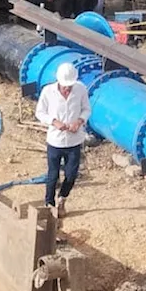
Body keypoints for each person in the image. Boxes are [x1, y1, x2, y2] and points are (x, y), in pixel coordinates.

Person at [35, 62, 91, 217]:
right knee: (53, 175)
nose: (68, 88)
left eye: (70, 85)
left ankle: (62, 198)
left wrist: (79, 121)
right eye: (65, 86)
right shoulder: (48, 91)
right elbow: (40, 112)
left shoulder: (80, 89)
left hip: (74, 141)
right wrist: (54, 122)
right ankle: (49, 204)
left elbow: (87, 109)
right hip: (55, 141)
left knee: (71, 174)